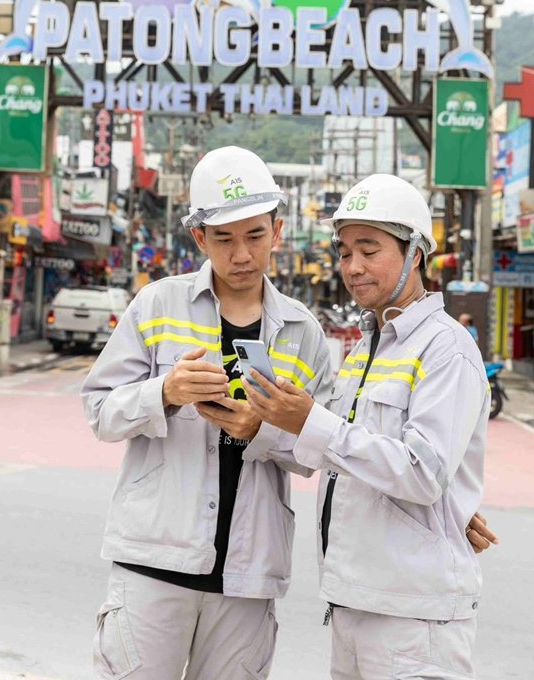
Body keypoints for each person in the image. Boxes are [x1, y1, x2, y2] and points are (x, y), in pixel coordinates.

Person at [81, 146, 334, 680]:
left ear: (277, 231)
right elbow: (100, 410)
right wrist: (165, 392)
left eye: (255, 236)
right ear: (199, 238)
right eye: (224, 239)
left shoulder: (304, 332)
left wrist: (261, 431)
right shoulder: (157, 305)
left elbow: (320, 449)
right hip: (153, 562)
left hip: (247, 576)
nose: (242, 254)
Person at [243, 174, 494, 680]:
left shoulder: (446, 349)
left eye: (369, 249)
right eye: (344, 252)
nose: (352, 266)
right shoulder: (365, 349)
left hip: (412, 618)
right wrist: (261, 426)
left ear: (415, 252)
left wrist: (311, 420)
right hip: (355, 603)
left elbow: (422, 472)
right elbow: (341, 456)